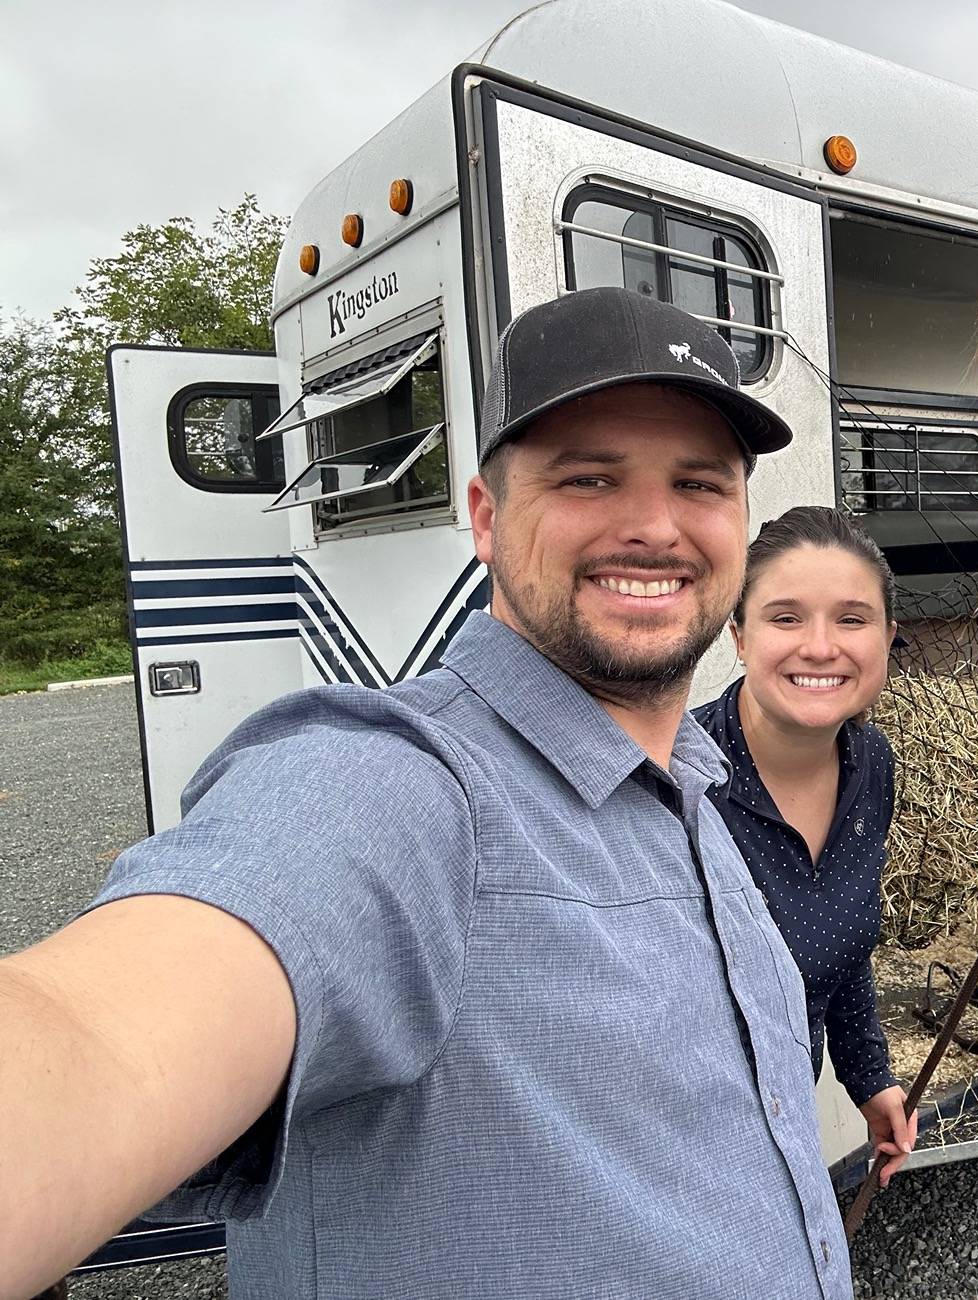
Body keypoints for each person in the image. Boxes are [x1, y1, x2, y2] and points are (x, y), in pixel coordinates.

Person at [0, 288, 853, 1300]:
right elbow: (89, 1035)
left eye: (699, 483)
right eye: (589, 477)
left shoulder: (695, 787)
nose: (655, 525)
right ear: (485, 517)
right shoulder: (394, 785)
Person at [692, 508, 917, 1188]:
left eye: (851, 619)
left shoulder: (870, 764)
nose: (820, 647)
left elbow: (835, 946)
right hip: (683, 1154)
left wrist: (869, 1075)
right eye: (785, 618)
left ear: (887, 637)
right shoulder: (678, 786)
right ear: (737, 635)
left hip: (787, 1130)